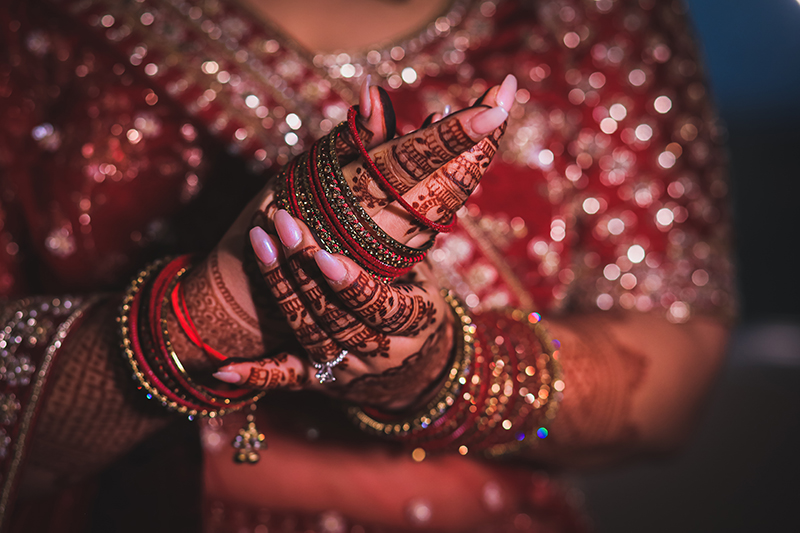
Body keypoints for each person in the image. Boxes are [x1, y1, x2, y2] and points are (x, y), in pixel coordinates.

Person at [0, 0, 734, 531]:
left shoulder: (595, 19)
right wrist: (218, 312)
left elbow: (674, 374)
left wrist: (445, 370)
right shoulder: (43, 25)